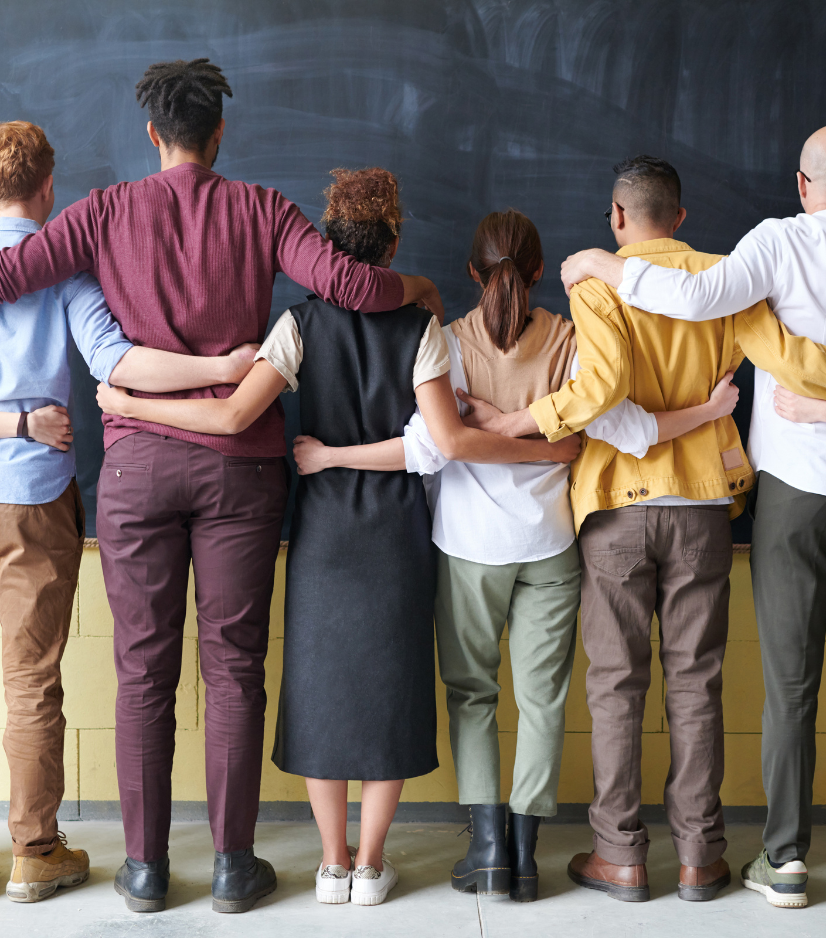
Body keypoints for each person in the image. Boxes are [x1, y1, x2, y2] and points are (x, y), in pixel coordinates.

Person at [0, 60, 446, 915]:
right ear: (219, 133)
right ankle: (235, 867)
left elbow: (2, 276)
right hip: (239, 471)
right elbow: (347, 285)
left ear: (153, 135)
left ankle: (145, 871)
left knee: (141, 672)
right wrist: (416, 288)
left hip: (134, 467)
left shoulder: (101, 212)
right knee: (235, 669)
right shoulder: (263, 210)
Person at [96, 169, 580, 907]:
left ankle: (330, 863)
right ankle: (371, 863)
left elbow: (230, 419)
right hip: (395, 529)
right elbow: (442, 440)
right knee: (389, 689)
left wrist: (130, 403)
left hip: (321, 529)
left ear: (326, 246)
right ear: (392, 244)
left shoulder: (297, 325)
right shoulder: (420, 326)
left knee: (320, 689)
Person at [458, 155, 826, 904]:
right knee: (697, 684)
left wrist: (519, 421)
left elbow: (601, 390)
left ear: (617, 218)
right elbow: (785, 357)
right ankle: (700, 858)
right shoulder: (725, 276)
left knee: (615, 686)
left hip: (618, 507)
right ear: (680, 218)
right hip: (703, 506)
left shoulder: (595, 284)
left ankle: (619, 855)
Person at [291, 207, 743, 903]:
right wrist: (557, 445)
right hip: (551, 543)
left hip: (467, 548)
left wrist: (335, 456)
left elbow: (424, 448)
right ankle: (527, 855)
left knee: (472, 696)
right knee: (543, 701)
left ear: (472, 272)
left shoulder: (444, 340)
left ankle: (490, 850)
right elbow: (618, 429)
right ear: (539, 272)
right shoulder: (571, 338)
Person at [0, 121, 258, 903]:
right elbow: (117, 362)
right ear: (47, 189)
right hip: (34, 491)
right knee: (32, 678)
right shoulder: (66, 276)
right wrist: (219, 369)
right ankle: (35, 852)